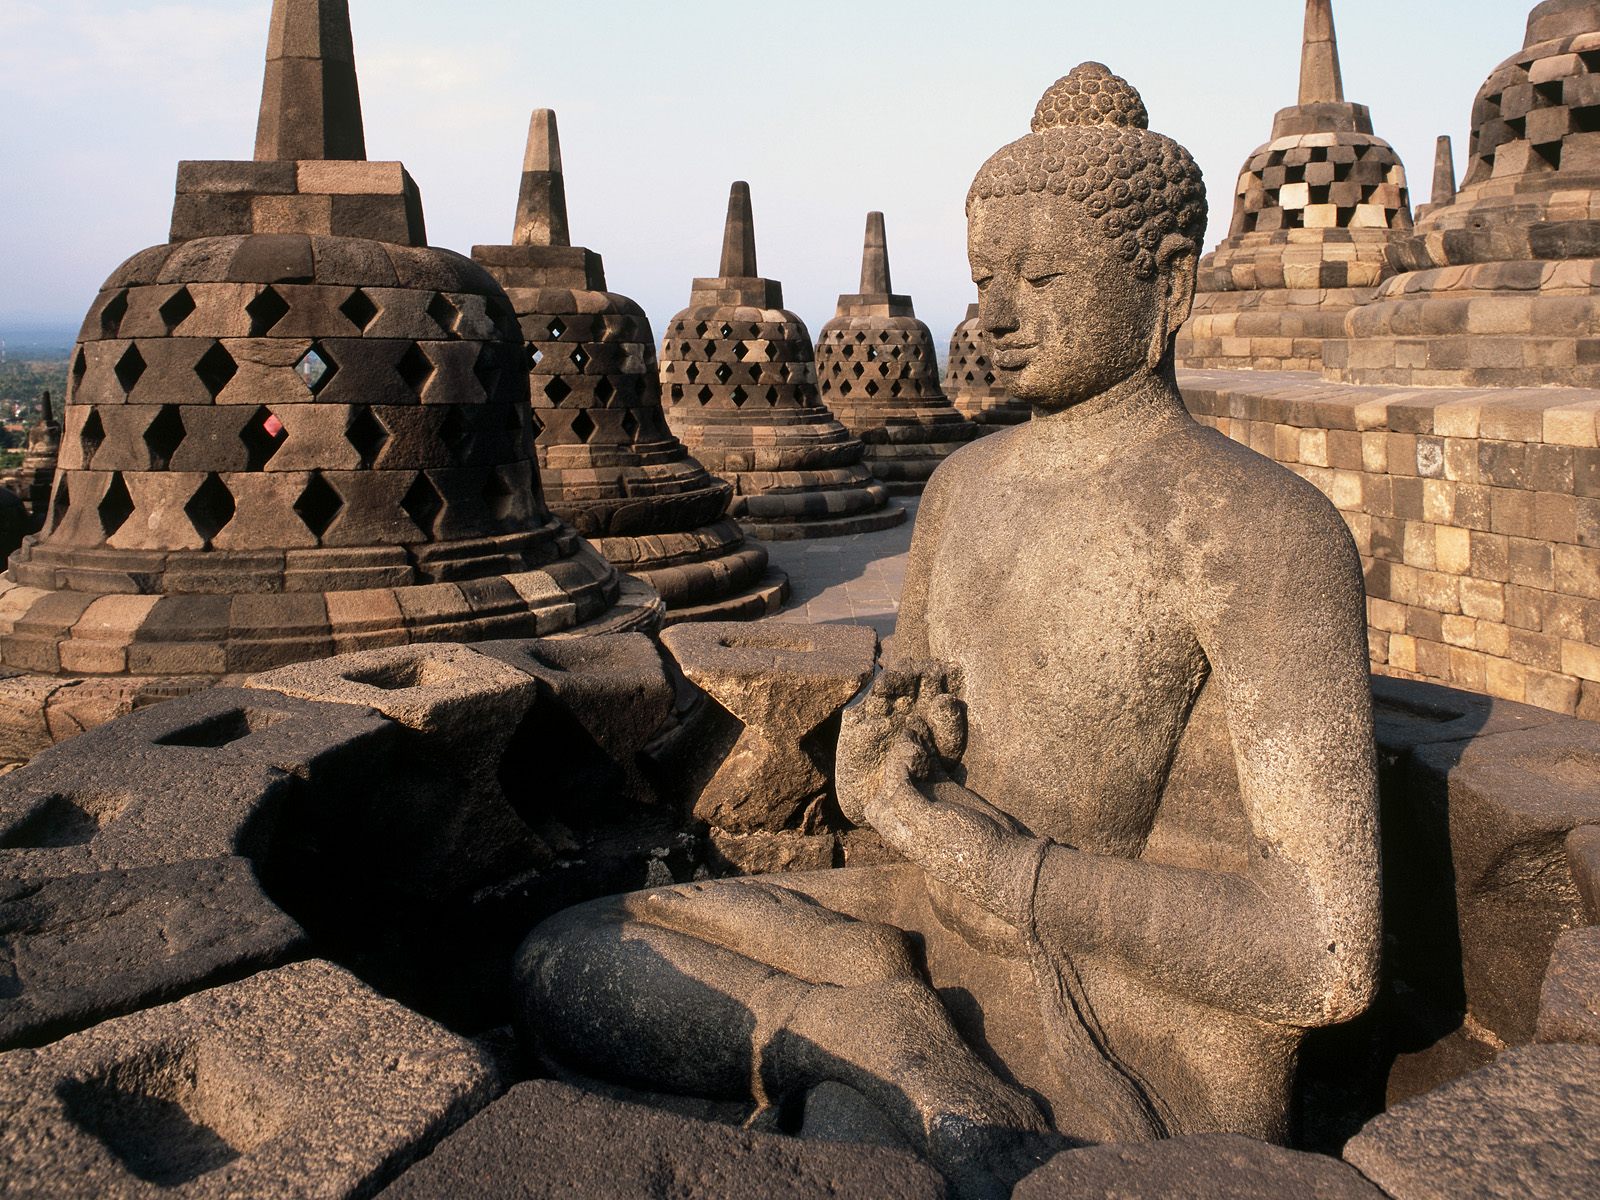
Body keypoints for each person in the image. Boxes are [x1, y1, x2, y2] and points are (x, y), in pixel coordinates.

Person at [515, 63, 1380, 1198]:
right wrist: (882, 765)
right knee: (571, 956)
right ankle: (878, 1039)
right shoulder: (962, 490)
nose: (994, 315)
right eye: (983, 278)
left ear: (1168, 285)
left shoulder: (1258, 532)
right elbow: (917, 729)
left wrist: (1002, 869)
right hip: (928, 924)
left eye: (1039, 276)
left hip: (1134, 1021)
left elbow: (1322, 953)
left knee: (849, 1155)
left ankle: (872, 1057)